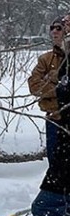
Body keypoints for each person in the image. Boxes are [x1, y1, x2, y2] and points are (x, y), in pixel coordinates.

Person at [29, 15, 70, 216]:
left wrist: (54, 85)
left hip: (66, 137)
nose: (60, 32)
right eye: (57, 27)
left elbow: (59, 90)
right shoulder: (49, 58)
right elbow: (35, 85)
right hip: (56, 125)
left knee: (44, 208)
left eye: (65, 27)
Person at [28, 15, 70, 164]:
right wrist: (59, 88)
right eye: (52, 28)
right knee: (55, 164)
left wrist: (50, 79)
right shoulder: (46, 59)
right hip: (54, 118)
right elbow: (34, 86)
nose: (55, 31)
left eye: (59, 27)